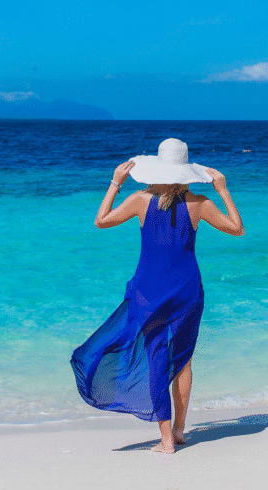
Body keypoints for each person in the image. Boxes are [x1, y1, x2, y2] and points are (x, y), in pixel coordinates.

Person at [71, 138, 244, 454]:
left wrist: (115, 182)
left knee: (155, 358)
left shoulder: (140, 200)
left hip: (149, 291)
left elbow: (101, 221)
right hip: (186, 290)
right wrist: (222, 189)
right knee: (183, 362)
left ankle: (166, 440)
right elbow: (237, 228)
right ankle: (178, 431)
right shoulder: (200, 203)